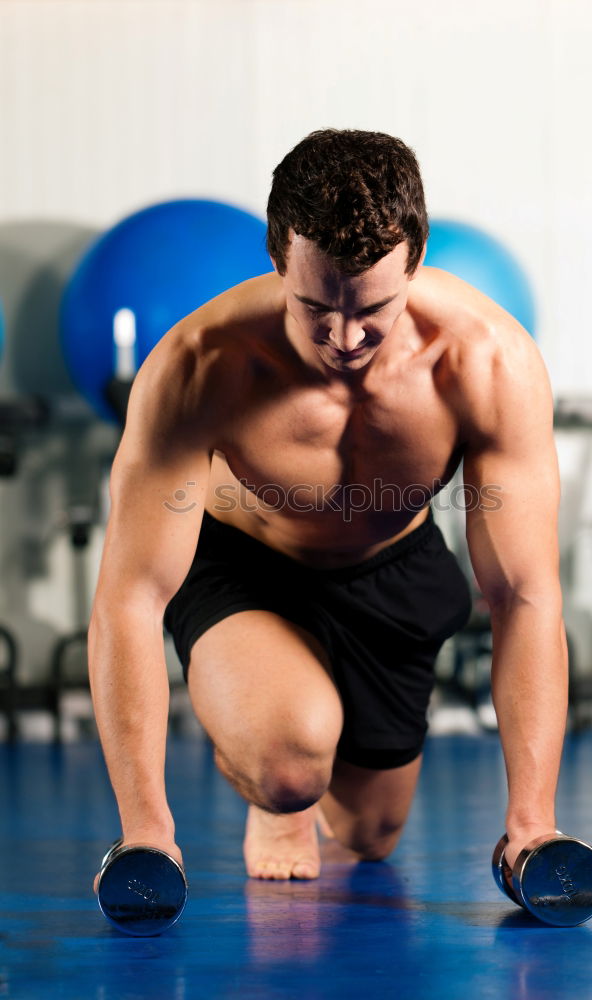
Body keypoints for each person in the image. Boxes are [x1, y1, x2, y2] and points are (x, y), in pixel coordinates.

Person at [89, 129, 567, 887]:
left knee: (372, 836)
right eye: (314, 306)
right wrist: (148, 832)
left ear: (415, 258)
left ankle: (305, 755)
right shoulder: (199, 364)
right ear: (278, 258)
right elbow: (129, 598)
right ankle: (272, 779)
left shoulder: (487, 362)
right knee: (290, 765)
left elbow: (525, 592)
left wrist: (532, 824)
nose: (344, 337)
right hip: (247, 567)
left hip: (392, 572)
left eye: (373, 307)